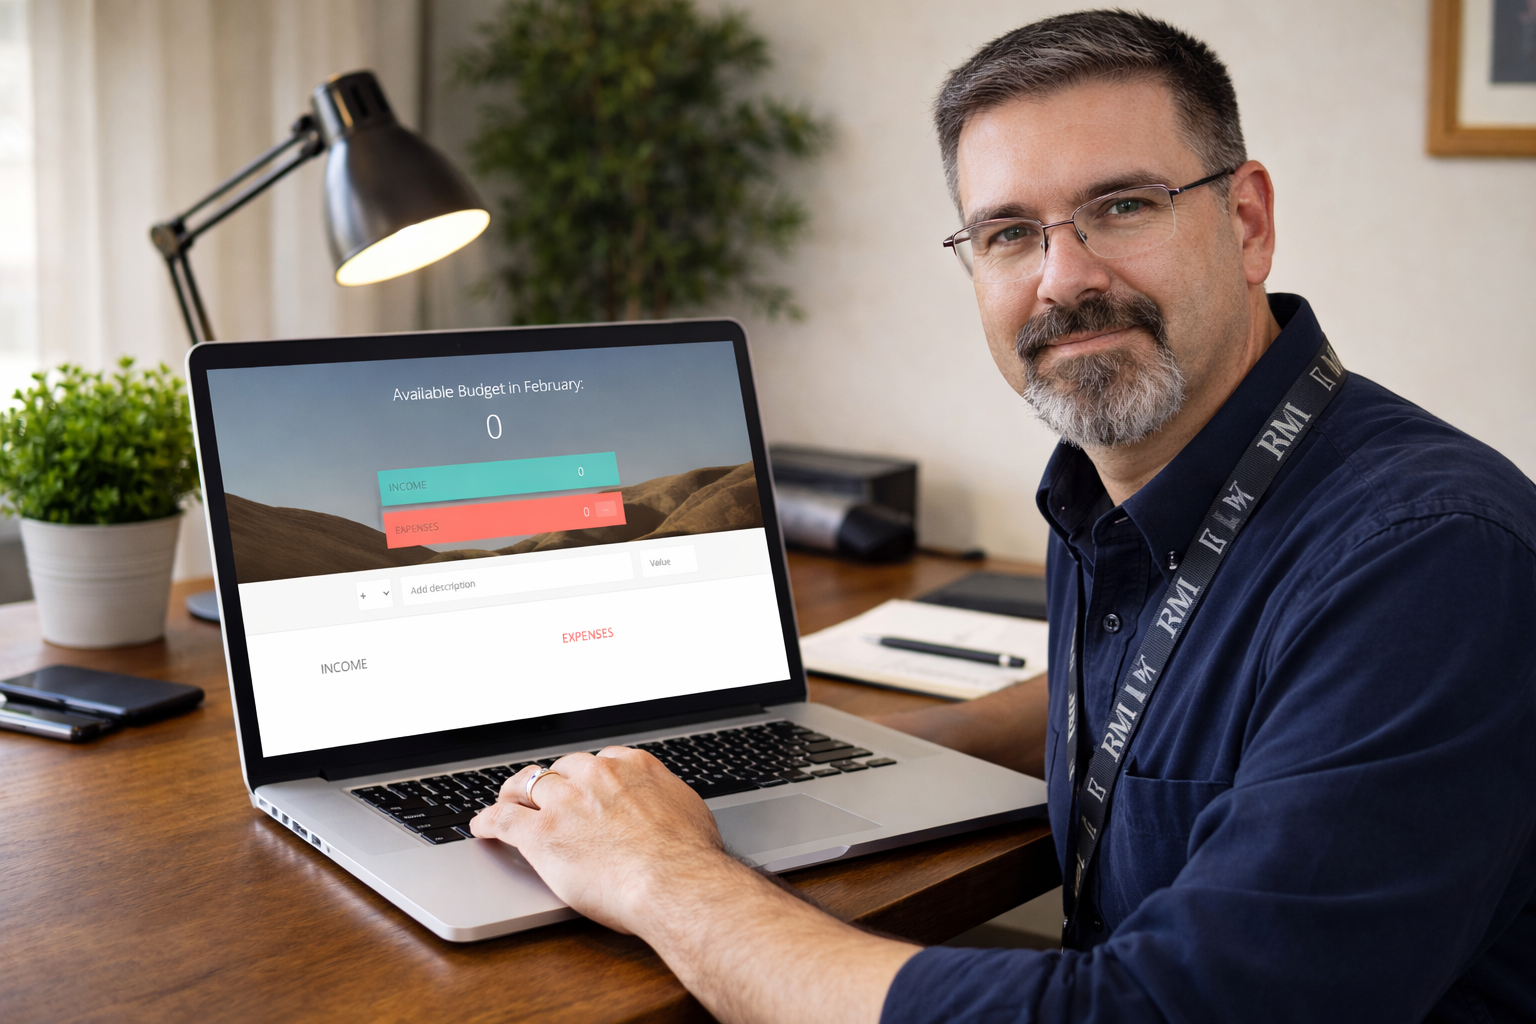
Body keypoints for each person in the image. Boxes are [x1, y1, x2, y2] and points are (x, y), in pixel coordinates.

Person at [472, 11, 1536, 1022]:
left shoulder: (1431, 560)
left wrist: (660, 874)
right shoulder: (1126, 478)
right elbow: (1181, 682)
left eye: (1123, 205)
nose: (1062, 278)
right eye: (1009, 232)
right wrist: (835, 749)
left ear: (1246, 221)